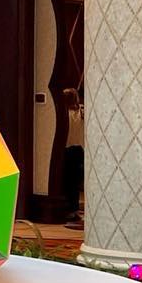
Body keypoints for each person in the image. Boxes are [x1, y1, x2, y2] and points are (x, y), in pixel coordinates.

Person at [61, 86, 85, 226]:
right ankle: (74, 209)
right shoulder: (81, 112)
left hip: (68, 149)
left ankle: (70, 209)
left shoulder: (64, 114)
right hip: (79, 149)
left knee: (68, 182)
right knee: (74, 182)